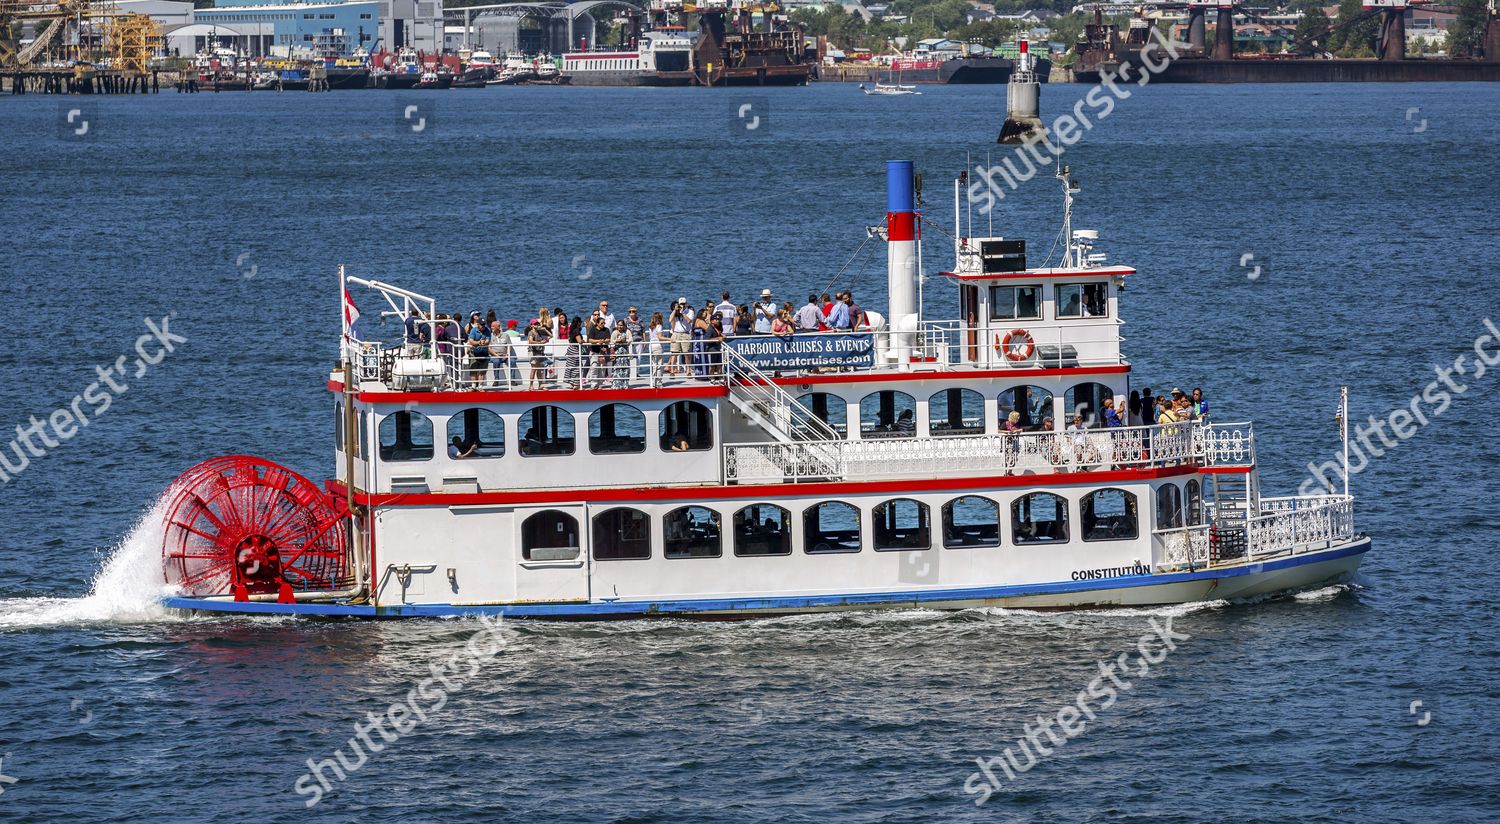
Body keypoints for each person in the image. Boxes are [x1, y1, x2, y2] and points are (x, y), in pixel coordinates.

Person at [668, 298, 692, 375]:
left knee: (686, 353)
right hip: (676, 333)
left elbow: (689, 321)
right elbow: (670, 320)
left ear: (686, 304)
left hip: (685, 333)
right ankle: (672, 370)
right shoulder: (675, 312)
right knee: (674, 353)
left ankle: (688, 369)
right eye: (680, 304)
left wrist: (682, 313)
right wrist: (675, 310)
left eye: (683, 304)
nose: (682, 306)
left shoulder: (690, 311)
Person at [624, 306, 647, 381]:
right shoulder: (626, 320)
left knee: (638, 357)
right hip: (629, 342)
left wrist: (644, 342)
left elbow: (643, 331)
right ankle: (630, 372)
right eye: (630, 311)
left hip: (639, 341)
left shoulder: (640, 321)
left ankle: (636, 372)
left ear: (636, 312)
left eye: (633, 311)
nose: (631, 313)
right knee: (630, 357)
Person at [466, 317, 490, 387]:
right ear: (478, 324)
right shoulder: (473, 330)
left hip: (484, 353)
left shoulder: (487, 330)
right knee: (473, 370)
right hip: (474, 353)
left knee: (482, 371)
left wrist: (483, 343)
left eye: (484, 324)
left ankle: (480, 386)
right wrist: (479, 342)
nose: (483, 326)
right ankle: (473, 386)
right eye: (481, 325)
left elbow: (488, 341)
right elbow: (471, 341)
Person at [527, 318, 550, 389]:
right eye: (535, 324)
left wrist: (545, 329)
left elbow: (550, 336)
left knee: (539, 370)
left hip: (540, 352)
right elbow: (530, 341)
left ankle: (540, 385)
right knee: (533, 369)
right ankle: (531, 385)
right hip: (533, 352)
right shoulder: (531, 332)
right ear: (531, 325)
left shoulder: (540, 332)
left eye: (537, 324)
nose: (536, 325)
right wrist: (540, 342)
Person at [609, 320, 631, 388]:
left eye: (621, 325)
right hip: (617, 354)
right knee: (617, 369)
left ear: (624, 326)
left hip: (625, 354)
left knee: (625, 369)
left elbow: (631, 340)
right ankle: (616, 385)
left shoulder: (627, 332)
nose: (620, 326)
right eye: (618, 325)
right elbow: (611, 341)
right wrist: (617, 341)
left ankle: (624, 385)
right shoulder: (614, 332)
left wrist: (625, 340)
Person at [647, 311, 666, 383]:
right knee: (659, 364)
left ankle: (653, 381)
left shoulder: (651, 327)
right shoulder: (659, 326)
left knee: (654, 364)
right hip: (657, 345)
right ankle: (658, 381)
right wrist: (669, 339)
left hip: (651, 345)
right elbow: (660, 337)